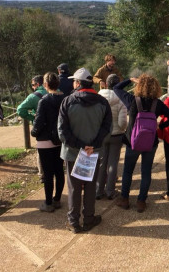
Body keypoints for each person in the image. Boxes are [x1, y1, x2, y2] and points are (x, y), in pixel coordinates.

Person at [58, 68, 112, 233]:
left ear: (78, 83)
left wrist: (80, 145)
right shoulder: (103, 102)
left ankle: (73, 222)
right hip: (93, 153)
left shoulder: (67, 101)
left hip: (73, 153)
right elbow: (107, 129)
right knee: (90, 186)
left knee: (73, 187)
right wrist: (92, 145)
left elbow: (62, 131)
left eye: (74, 81)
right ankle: (89, 218)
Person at [114, 74, 169, 213]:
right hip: (151, 142)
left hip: (132, 141)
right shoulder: (158, 103)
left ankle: (124, 199)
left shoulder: (132, 100)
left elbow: (116, 88)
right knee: (146, 172)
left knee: (128, 171)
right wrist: (161, 125)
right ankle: (141, 201)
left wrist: (130, 79)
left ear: (139, 86)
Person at [31, 72, 65, 212]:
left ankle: (48, 202)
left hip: (45, 141)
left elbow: (38, 122)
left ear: (45, 84)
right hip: (60, 140)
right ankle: (57, 199)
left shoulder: (44, 101)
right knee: (59, 171)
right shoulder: (65, 98)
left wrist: (34, 132)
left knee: (48, 173)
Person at [96, 74, 127, 200]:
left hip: (102, 134)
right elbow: (122, 122)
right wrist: (122, 129)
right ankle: (110, 191)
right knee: (113, 163)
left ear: (107, 84)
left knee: (102, 163)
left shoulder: (98, 97)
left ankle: (98, 191)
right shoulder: (121, 99)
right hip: (116, 135)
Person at [17, 75, 47, 178]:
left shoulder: (33, 96)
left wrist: (32, 118)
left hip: (41, 127)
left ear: (38, 84)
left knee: (41, 151)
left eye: (33, 85)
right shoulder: (57, 91)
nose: (33, 87)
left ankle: (42, 174)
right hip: (56, 126)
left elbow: (20, 110)